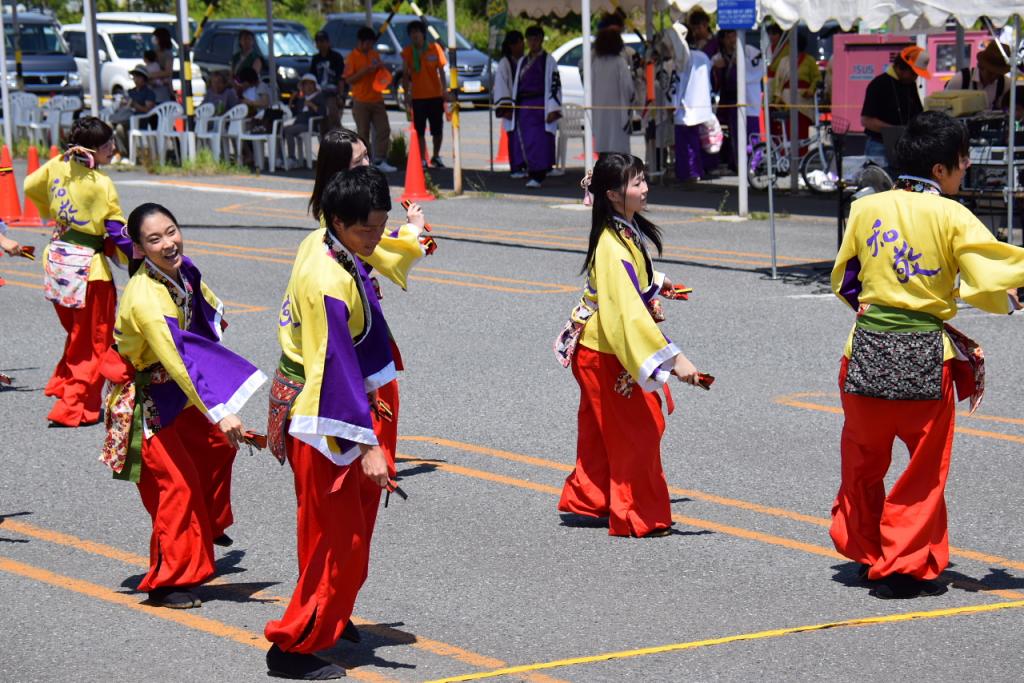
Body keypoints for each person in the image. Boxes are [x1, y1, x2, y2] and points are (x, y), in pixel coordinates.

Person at [830, 110, 1024, 599]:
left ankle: (867, 551)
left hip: (866, 348)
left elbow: (845, 282)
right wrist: (1003, 299)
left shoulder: (865, 209)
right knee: (923, 469)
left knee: (862, 460)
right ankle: (902, 562)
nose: (965, 172)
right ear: (940, 169)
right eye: (962, 164)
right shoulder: (952, 215)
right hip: (923, 355)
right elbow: (988, 279)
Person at [264, 166, 398, 679]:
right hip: (328, 416)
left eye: (381, 225)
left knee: (336, 535)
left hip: (329, 403)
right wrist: (366, 445)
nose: (376, 237)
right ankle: (293, 646)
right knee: (336, 542)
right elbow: (334, 367)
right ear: (338, 221)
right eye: (367, 229)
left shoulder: (323, 244)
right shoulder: (328, 282)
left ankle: (329, 617)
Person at [100, 203, 265, 609]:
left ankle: (204, 529)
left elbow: (205, 304)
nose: (168, 243)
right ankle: (166, 581)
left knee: (216, 449)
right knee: (176, 487)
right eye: (154, 239)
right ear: (138, 247)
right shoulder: (145, 297)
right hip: (150, 400)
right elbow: (177, 357)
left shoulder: (181, 270)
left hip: (177, 389)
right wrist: (220, 409)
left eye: (171, 231)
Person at [555, 153, 701, 537]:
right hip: (604, 349)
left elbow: (631, 278)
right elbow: (628, 315)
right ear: (614, 195)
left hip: (596, 344)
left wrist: (659, 282)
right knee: (639, 429)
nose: (645, 188)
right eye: (636, 183)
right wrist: (675, 360)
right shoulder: (611, 243)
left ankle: (592, 498)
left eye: (643, 179)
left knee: (602, 427)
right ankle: (637, 513)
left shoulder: (620, 231)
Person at [301, 127, 436, 478]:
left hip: (358, 305)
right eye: (358, 160)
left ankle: (373, 457)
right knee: (376, 386)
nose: (367, 164)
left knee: (377, 386)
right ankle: (376, 459)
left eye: (366, 157)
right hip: (351, 316)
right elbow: (387, 251)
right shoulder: (340, 220)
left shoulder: (335, 215)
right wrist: (413, 231)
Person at [24, 118, 129, 427]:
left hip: (57, 258)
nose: (113, 149)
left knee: (77, 334)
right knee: (95, 341)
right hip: (88, 270)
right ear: (94, 149)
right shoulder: (101, 183)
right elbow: (115, 228)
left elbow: (30, 184)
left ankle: (65, 384)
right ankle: (74, 406)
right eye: (108, 145)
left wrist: (54, 213)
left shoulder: (59, 166)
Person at [509, 26, 561, 188]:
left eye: (536, 39)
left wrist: (553, 108)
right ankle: (531, 170)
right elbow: (517, 85)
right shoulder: (523, 61)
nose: (533, 42)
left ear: (540, 40)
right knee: (526, 140)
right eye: (530, 39)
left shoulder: (548, 60)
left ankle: (539, 174)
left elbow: (555, 86)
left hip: (541, 104)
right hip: (524, 105)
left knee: (541, 140)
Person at [861, 46, 929, 163]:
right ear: (901, 67)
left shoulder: (910, 85)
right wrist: (897, 130)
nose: (915, 77)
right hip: (879, 146)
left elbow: (918, 112)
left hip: (905, 146)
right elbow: (867, 120)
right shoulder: (879, 84)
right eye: (913, 73)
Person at [343, 26, 396, 173]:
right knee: (363, 133)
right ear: (360, 42)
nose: (370, 46)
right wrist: (365, 71)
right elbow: (349, 80)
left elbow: (380, 72)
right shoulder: (351, 57)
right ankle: (363, 162)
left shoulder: (374, 54)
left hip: (377, 98)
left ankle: (380, 159)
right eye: (368, 43)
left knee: (383, 129)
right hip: (360, 100)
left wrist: (380, 68)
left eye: (372, 43)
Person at [712, 29, 764, 173]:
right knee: (732, 134)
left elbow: (759, 68)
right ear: (722, 39)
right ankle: (735, 163)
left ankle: (754, 163)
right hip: (728, 99)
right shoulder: (718, 57)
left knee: (752, 132)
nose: (732, 39)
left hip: (748, 98)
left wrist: (742, 63)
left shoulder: (750, 51)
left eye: (733, 34)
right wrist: (717, 68)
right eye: (728, 36)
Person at [401, 20, 448, 168]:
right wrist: (407, 93)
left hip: (435, 96)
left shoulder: (434, 49)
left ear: (423, 34)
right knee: (419, 130)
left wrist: (444, 90)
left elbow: (441, 71)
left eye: (417, 32)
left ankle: (436, 156)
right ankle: (422, 158)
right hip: (418, 97)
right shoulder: (407, 52)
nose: (414, 35)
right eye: (412, 33)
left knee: (437, 129)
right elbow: (405, 75)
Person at [769, 30, 821, 152]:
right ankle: (786, 156)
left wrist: (811, 90)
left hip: (804, 101)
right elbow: (778, 81)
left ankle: (802, 157)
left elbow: (817, 78)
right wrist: (778, 97)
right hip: (786, 100)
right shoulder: (784, 60)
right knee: (787, 130)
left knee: (802, 130)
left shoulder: (810, 60)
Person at [673, 47, 714, 181]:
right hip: (701, 104)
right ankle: (697, 170)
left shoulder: (682, 57)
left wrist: (674, 104)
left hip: (684, 105)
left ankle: (688, 172)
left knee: (684, 144)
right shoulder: (703, 56)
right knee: (697, 141)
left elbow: (679, 82)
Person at [592, 28, 634, 155]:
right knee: (618, 152)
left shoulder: (595, 62)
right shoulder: (620, 62)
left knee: (604, 151)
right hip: (618, 114)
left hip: (599, 112)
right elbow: (628, 87)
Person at [945, 41, 1011, 111]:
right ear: (981, 66)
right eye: (990, 72)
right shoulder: (960, 80)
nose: (994, 77)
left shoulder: (1006, 84)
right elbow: (944, 108)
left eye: (999, 73)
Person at [492, 30, 524, 162]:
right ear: (513, 45)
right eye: (520, 43)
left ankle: (523, 164)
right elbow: (501, 86)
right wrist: (506, 108)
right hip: (511, 106)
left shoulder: (522, 60)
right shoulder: (504, 63)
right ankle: (516, 167)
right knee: (514, 138)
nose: (523, 46)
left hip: (522, 106)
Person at [110, 66, 157, 157]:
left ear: (144, 78)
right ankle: (113, 153)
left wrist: (134, 104)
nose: (135, 79)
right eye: (134, 77)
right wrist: (123, 103)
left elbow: (148, 110)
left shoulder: (149, 93)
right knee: (107, 126)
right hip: (125, 117)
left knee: (120, 129)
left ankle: (126, 154)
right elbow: (122, 106)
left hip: (140, 120)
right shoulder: (130, 92)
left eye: (138, 77)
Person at [282, 74, 324, 168]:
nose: (308, 87)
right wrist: (292, 100)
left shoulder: (319, 97)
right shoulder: (302, 99)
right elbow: (293, 112)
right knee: (281, 130)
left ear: (314, 85)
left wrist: (312, 105)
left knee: (289, 130)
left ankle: (292, 158)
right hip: (298, 123)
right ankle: (280, 158)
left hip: (309, 125)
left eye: (310, 84)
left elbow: (322, 113)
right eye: (305, 85)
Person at [309, 30, 345, 134]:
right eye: (318, 42)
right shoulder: (316, 59)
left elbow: (341, 77)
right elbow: (312, 78)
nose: (320, 44)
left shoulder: (336, 57)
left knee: (333, 117)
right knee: (322, 121)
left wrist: (341, 96)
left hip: (333, 93)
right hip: (319, 93)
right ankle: (325, 144)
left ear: (328, 42)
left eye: (323, 41)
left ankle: (340, 140)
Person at [149, 28, 175, 103]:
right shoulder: (154, 52)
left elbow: (167, 72)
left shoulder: (167, 54)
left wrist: (150, 75)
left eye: (155, 37)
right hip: (152, 88)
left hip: (163, 89)